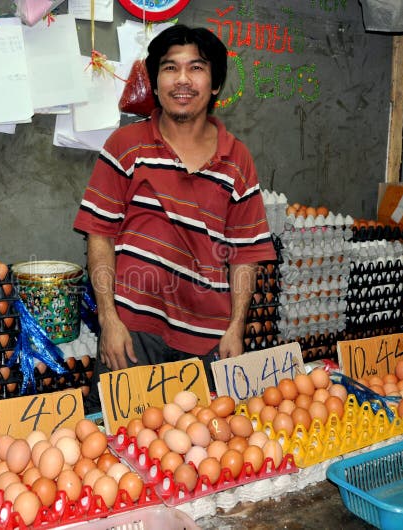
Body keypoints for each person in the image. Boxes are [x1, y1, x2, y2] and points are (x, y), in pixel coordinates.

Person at [73, 25, 276, 404]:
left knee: (202, 439)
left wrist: (236, 328)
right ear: (155, 82)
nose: (182, 79)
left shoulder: (237, 159)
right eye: (170, 68)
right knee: (117, 435)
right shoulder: (125, 146)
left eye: (196, 68)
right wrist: (109, 320)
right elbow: (99, 234)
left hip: (208, 340)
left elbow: (245, 253)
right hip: (132, 335)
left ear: (215, 84)